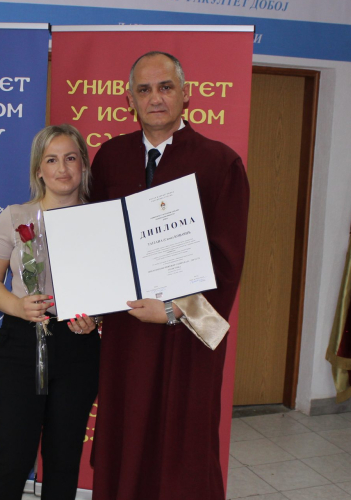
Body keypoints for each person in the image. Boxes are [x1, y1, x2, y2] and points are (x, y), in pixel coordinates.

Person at [88, 52, 250, 500]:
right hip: (126, 330)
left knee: (183, 442)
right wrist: (89, 305)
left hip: (188, 335)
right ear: (130, 100)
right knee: (126, 431)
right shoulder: (111, 158)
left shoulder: (220, 163)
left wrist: (176, 310)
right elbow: (96, 240)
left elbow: (228, 262)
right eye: (144, 90)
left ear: (185, 94)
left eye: (165, 87)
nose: (155, 98)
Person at [0, 124, 100, 500]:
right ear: (38, 170)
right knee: (13, 455)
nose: (62, 168)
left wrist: (96, 319)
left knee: (64, 457)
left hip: (78, 347)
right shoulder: (15, 217)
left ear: (83, 165)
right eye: (51, 160)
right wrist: (17, 305)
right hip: (21, 343)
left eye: (70, 158)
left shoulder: (102, 220)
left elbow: (113, 288)